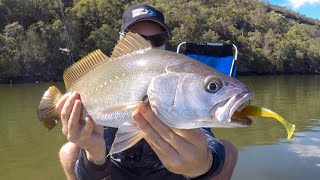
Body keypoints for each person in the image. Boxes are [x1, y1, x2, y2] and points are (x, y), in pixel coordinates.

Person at [58, 3, 238, 180]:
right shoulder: (107, 79)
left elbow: (206, 137)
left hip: (171, 173)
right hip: (116, 169)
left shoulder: (179, 78)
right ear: (121, 40)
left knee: (228, 151)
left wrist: (204, 166)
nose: (149, 45)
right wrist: (94, 154)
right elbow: (91, 175)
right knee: (68, 151)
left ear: (165, 43)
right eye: (135, 36)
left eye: (157, 39)